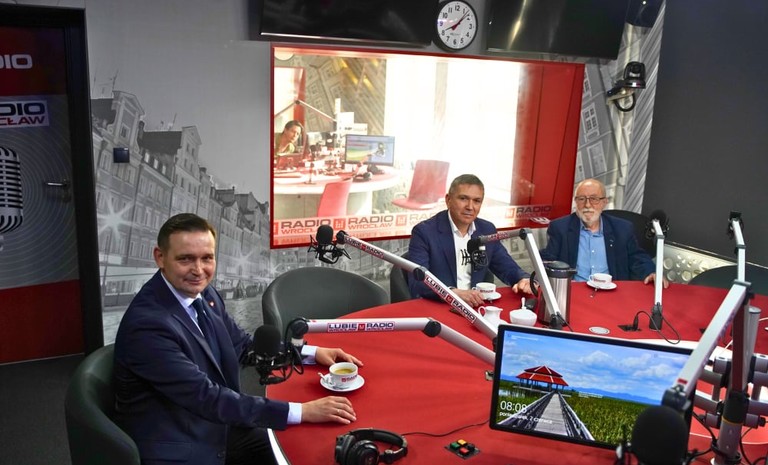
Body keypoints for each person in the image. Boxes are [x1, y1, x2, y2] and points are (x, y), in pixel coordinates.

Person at [113, 213, 359, 465]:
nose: (198, 270)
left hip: (215, 425)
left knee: (304, 446)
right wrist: (303, 410)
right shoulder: (148, 325)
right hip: (185, 447)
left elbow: (243, 345)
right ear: (160, 257)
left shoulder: (204, 294)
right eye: (185, 259)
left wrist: (310, 353)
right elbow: (207, 398)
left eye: (207, 258)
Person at [408, 174, 533, 308]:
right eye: (463, 199)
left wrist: (523, 279)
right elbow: (418, 282)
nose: (470, 206)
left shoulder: (486, 230)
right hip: (441, 306)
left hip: (476, 307)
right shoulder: (424, 232)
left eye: (477, 201)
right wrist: (452, 293)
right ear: (448, 200)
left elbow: (507, 267)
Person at [539, 178, 668, 286]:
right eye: (582, 199)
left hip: (612, 293)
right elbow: (547, 260)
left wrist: (651, 272)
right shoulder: (560, 228)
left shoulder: (622, 229)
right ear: (576, 202)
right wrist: (535, 278)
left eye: (594, 199)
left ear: (604, 202)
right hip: (575, 292)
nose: (587, 205)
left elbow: (637, 257)